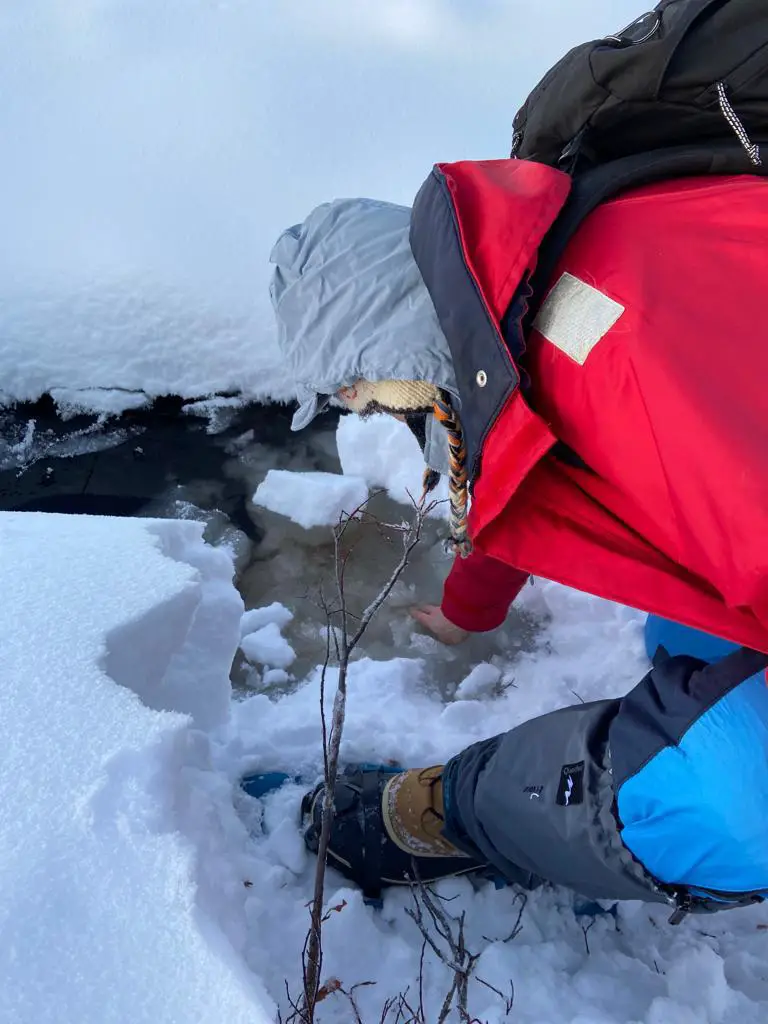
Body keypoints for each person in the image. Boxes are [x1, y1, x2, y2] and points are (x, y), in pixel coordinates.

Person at [266, 152, 768, 913]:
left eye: (353, 384)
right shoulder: (577, 276)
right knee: (690, 631)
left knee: (731, 806)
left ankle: (468, 810)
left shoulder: (613, 364)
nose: (361, 407)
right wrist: (469, 609)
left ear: (383, 335)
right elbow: (519, 466)